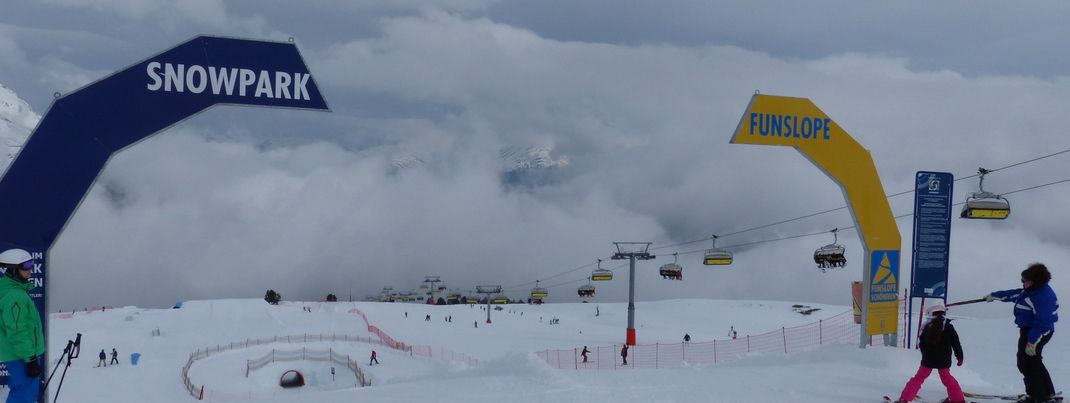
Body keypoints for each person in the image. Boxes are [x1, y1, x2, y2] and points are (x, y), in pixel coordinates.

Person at [985, 263, 1060, 403]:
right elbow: (1016, 294)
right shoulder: (1033, 290)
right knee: (1034, 361)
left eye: (1024, 281)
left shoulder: (1043, 297)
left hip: (1037, 332)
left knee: (1026, 363)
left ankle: (1036, 396)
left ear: (1034, 281)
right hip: (1032, 330)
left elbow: (1042, 322)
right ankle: (1047, 393)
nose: (1022, 283)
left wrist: (1032, 342)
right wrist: (995, 296)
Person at [893, 303, 965, 403]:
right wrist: (960, 357)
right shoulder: (948, 327)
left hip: (928, 360)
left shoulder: (926, 327)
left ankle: (905, 399)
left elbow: (922, 344)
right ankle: (958, 400)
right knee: (948, 380)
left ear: (930, 313)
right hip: (944, 361)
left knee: (918, 378)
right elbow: (956, 344)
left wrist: (926, 355)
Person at [0, 249, 44, 403]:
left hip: (18, 354)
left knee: (21, 391)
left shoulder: (11, 290)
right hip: (21, 356)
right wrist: (30, 359)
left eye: (31, 265)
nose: (30, 269)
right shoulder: (15, 296)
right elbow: (17, 331)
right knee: (24, 395)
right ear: (13, 269)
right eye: (25, 266)